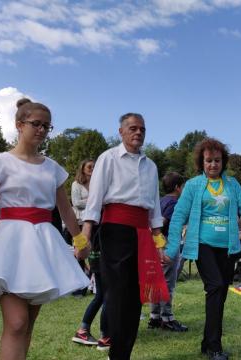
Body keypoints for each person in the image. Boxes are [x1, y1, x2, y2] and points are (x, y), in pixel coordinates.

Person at [0, 98, 90, 360]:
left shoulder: (53, 168)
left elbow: (65, 208)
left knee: (27, 324)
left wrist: (79, 239)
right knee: (17, 322)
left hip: (43, 244)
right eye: (36, 124)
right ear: (19, 125)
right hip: (10, 244)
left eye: (47, 126)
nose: (42, 130)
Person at [164, 138, 241, 360]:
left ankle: (207, 343)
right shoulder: (194, 186)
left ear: (223, 161)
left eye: (216, 160)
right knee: (214, 287)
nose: (212, 164)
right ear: (201, 162)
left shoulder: (232, 185)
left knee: (221, 293)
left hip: (229, 248)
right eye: (208, 161)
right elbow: (178, 218)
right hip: (202, 246)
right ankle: (215, 347)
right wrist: (171, 248)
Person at [80, 113, 169, 360]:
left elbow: (155, 209)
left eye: (142, 129)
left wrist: (159, 242)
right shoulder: (107, 158)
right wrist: (86, 233)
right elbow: (95, 198)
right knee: (117, 294)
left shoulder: (150, 165)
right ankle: (116, 353)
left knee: (135, 297)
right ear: (121, 132)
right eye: (132, 128)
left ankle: (122, 354)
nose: (138, 132)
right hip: (115, 231)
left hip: (142, 234)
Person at [149, 171, 189, 332]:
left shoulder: (161, 201)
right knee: (167, 282)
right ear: (177, 187)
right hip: (167, 244)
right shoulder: (174, 203)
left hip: (156, 244)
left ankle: (155, 317)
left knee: (156, 281)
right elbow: (162, 222)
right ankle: (167, 318)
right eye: (183, 187)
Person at [71, 228, 110, 350]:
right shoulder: (104, 214)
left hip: (95, 258)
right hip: (104, 259)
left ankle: (83, 331)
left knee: (100, 296)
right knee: (107, 297)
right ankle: (106, 337)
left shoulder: (92, 217)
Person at [71, 159, 95, 297]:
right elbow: (76, 203)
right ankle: (80, 286)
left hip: (95, 221)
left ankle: (93, 282)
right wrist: (93, 199)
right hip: (80, 221)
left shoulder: (97, 183)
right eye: (89, 167)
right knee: (79, 254)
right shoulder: (76, 184)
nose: (92, 169)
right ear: (83, 169)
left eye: (94, 167)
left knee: (94, 252)